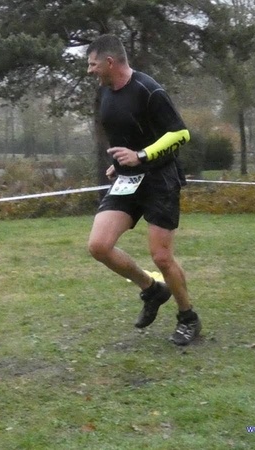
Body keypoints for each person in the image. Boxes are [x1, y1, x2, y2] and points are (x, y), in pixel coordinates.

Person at [85, 34, 201, 345]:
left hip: (160, 179)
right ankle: (152, 289)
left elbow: (181, 134)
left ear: (110, 62)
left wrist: (141, 156)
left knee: (162, 257)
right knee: (99, 246)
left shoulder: (149, 90)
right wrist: (121, 163)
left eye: (92, 64)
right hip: (128, 180)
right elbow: (127, 133)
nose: (89, 70)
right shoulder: (107, 92)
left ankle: (188, 317)